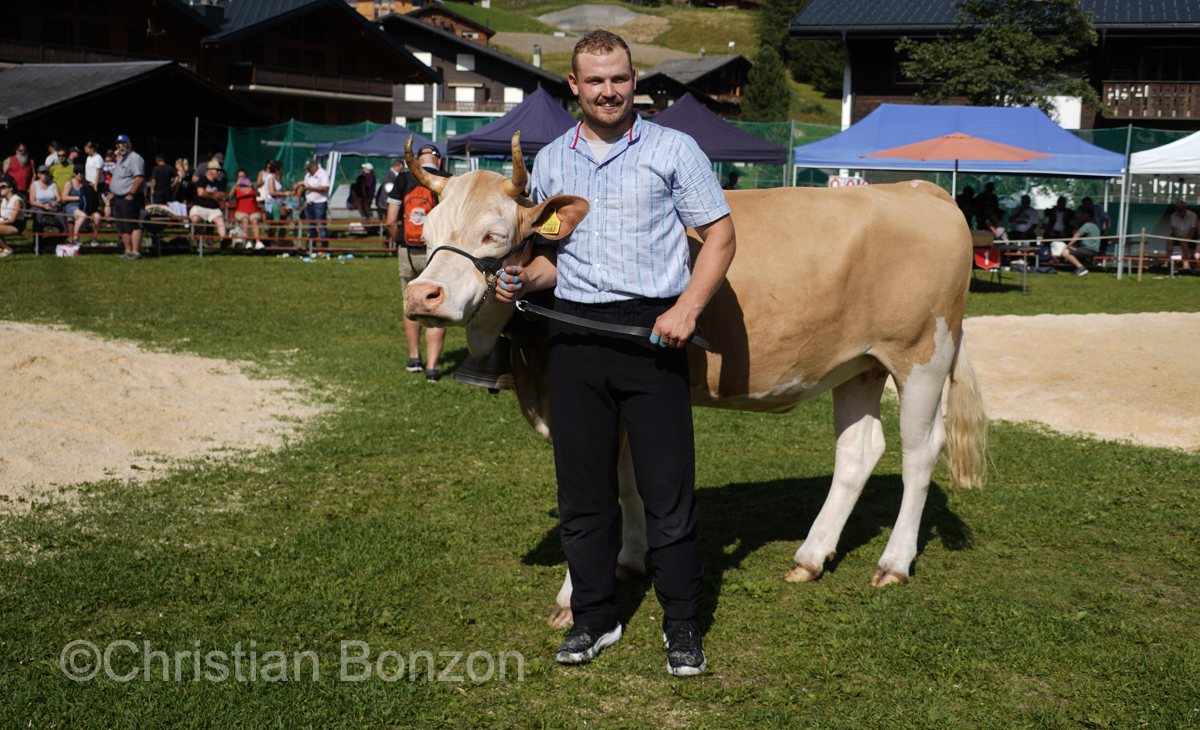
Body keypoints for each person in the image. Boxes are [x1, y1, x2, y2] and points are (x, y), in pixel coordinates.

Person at [493, 30, 735, 677]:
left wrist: (686, 309)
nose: (608, 90)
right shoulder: (551, 163)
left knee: (667, 493)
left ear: (635, 81)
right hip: (572, 338)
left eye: (619, 78)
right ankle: (595, 618)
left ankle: (681, 625)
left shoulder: (672, 149)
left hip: (650, 336)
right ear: (574, 86)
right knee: (583, 493)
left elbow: (720, 236)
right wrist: (521, 278)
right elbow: (547, 261)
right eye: (595, 80)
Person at [387, 143, 450, 382]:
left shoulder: (404, 178)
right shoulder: (447, 180)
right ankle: (432, 368)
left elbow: (391, 220)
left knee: (410, 302)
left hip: (408, 250)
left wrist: (402, 241)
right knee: (436, 306)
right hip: (438, 253)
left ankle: (414, 358)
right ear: (439, 161)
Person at [109, 134, 146, 261]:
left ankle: (136, 252)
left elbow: (139, 178)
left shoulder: (135, 158)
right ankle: (127, 250)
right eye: (118, 145)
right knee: (122, 225)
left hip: (130, 198)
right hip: (119, 198)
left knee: (133, 224)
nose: (121, 147)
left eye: (123, 145)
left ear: (129, 145)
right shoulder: (121, 158)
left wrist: (131, 194)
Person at [189, 161, 228, 247]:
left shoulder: (219, 182)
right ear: (210, 170)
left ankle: (223, 240)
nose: (219, 172)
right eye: (217, 170)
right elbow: (201, 193)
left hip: (214, 209)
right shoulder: (202, 180)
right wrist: (214, 196)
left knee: (220, 220)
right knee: (195, 219)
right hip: (200, 208)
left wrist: (212, 191)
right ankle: (206, 237)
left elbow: (224, 195)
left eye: (219, 170)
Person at [294, 159, 330, 248]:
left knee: (321, 226)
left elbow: (325, 188)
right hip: (309, 204)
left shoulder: (323, 174)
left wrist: (310, 188)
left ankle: (324, 247)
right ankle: (312, 246)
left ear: (314, 166)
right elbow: (305, 186)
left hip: (320, 203)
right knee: (310, 227)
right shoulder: (308, 175)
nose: (307, 170)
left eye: (309, 168)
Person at [60, 165, 96, 245]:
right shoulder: (69, 183)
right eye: (77, 172)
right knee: (82, 216)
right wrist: (78, 197)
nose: (79, 174)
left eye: (81, 172)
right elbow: (64, 198)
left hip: (85, 206)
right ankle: (75, 238)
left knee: (96, 216)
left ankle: (94, 239)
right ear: (74, 174)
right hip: (71, 206)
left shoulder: (87, 184)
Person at [232, 169, 265, 249]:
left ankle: (258, 242)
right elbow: (230, 195)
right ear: (237, 178)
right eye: (240, 177)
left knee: (255, 220)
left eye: (244, 176)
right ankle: (246, 241)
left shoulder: (251, 186)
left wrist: (253, 186)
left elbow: (258, 194)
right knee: (245, 220)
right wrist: (236, 185)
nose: (242, 178)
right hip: (241, 211)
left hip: (254, 211)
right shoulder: (236, 188)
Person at [1061, 210, 1100, 276]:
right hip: (1089, 250)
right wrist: (1076, 219)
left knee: (1065, 252)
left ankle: (1081, 268)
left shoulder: (1088, 225)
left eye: (1082, 214)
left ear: (1087, 215)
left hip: (1088, 250)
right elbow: (1076, 228)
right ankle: (1080, 268)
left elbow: (1077, 234)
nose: (1081, 216)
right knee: (1072, 250)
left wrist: (1068, 245)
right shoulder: (1094, 223)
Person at [29, 165, 63, 233]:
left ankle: (63, 237)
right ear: (38, 175)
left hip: (52, 205)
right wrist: (43, 205)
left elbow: (59, 198)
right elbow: (32, 201)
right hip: (38, 206)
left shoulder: (53, 184)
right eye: (42, 173)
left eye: (46, 173)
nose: (44, 175)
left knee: (61, 215)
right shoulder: (33, 185)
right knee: (39, 214)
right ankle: (37, 237)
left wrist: (55, 203)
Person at [1168, 200, 1197, 273]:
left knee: (1184, 241)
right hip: (1177, 236)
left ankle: (1185, 261)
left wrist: (1189, 237)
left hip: (1189, 236)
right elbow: (1174, 230)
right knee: (1169, 240)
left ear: (1185, 208)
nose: (1180, 211)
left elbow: (1193, 229)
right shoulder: (1173, 216)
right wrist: (1178, 237)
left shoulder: (1193, 215)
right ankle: (1168, 261)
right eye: (1178, 210)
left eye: (1181, 210)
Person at [0, 177, 25, 259]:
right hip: (4, 222)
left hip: (16, 224)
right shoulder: (3, 200)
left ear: (10, 188)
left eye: (3, 187)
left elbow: (12, 219)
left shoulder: (17, 201)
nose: (0, 189)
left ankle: (7, 249)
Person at [377, 158, 404, 228]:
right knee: (391, 223)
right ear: (395, 166)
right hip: (388, 204)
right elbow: (389, 189)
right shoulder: (389, 175)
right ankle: (391, 237)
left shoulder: (392, 175)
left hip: (389, 203)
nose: (402, 171)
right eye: (401, 169)